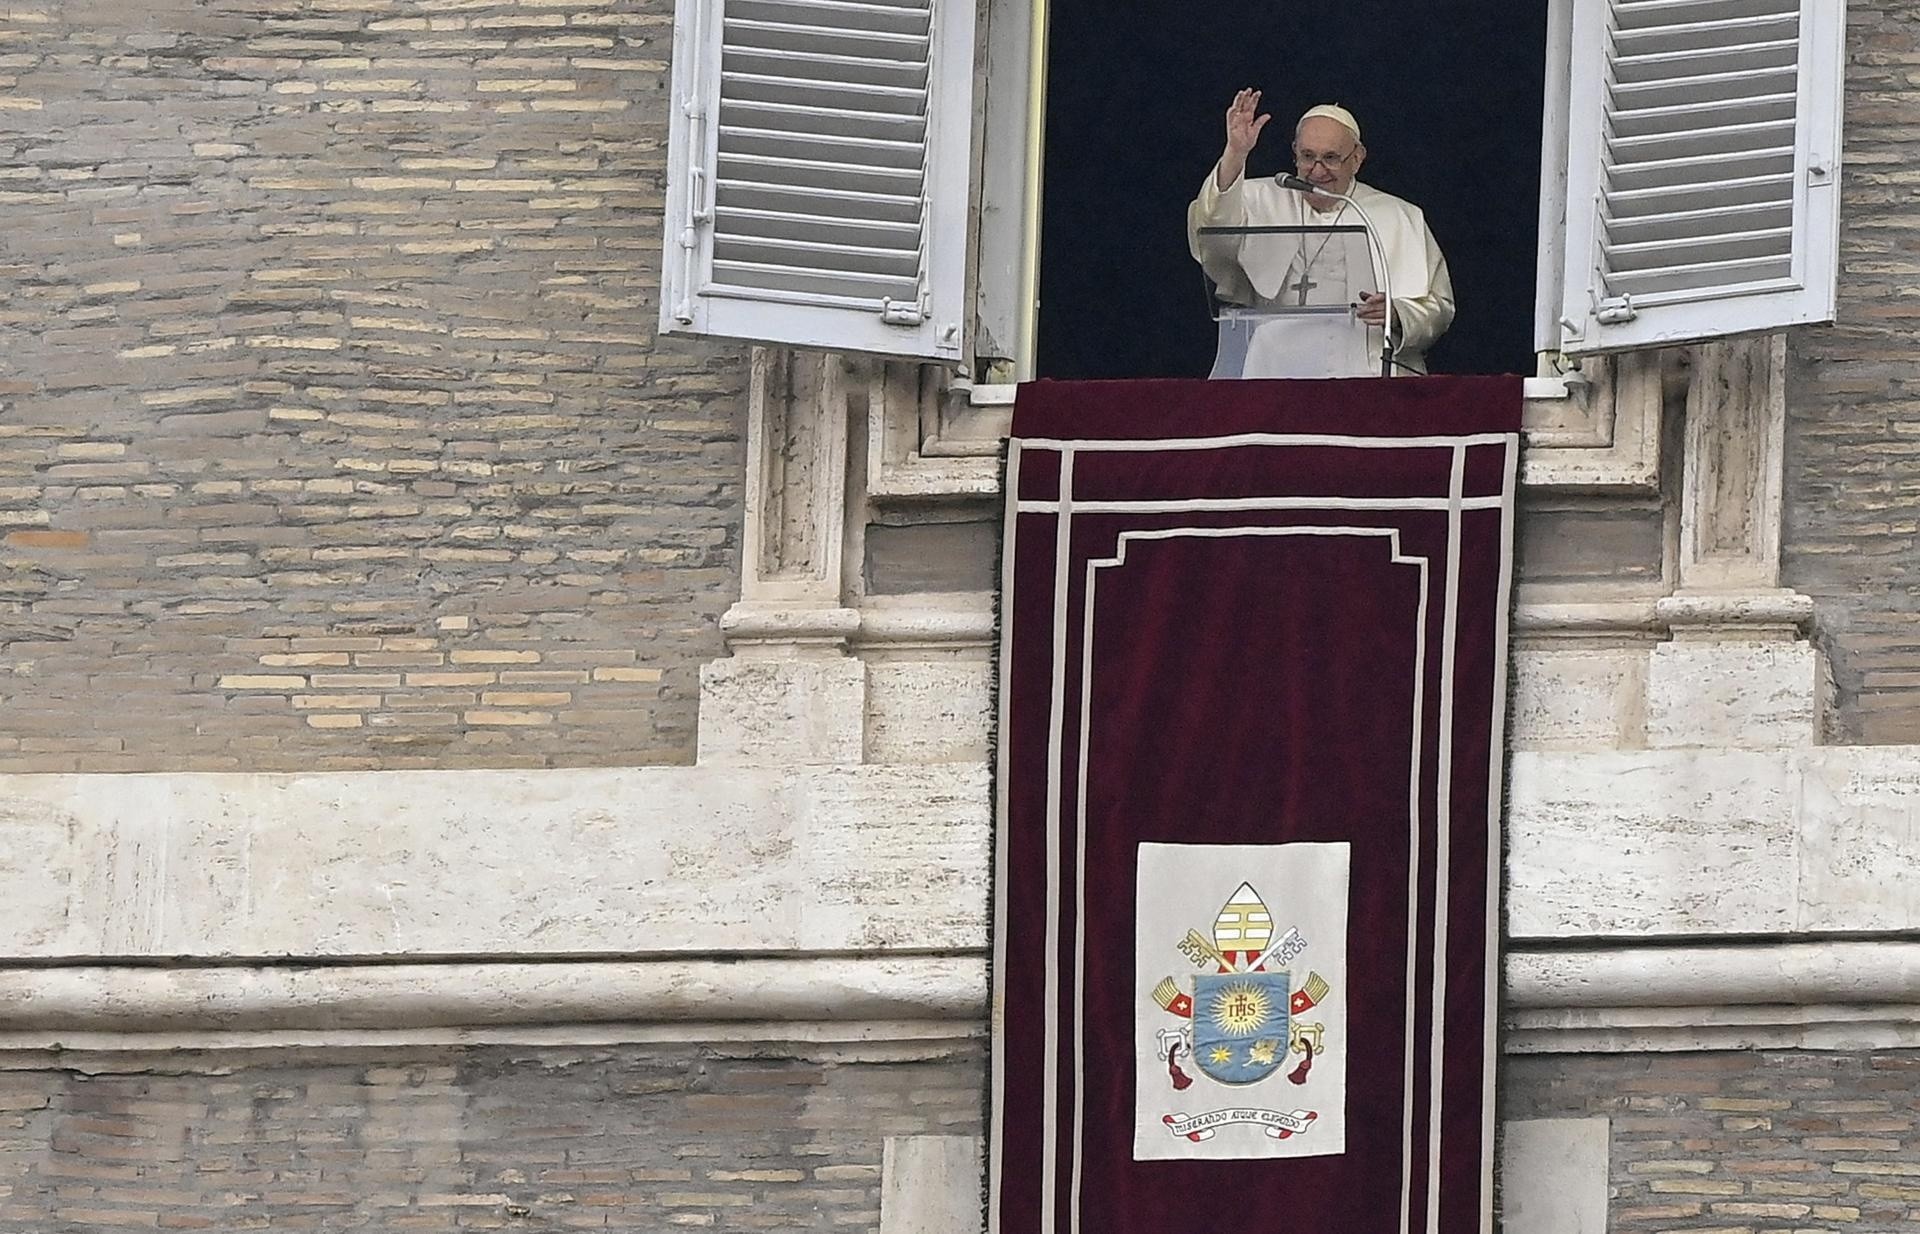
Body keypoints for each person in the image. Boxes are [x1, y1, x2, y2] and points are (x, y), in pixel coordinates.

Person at [1187, 93, 1455, 375]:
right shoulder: (1262, 198)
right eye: (1307, 157)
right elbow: (1213, 229)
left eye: (1330, 158)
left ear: (1357, 159)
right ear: (1294, 152)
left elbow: (1439, 306)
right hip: (1277, 366)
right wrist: (1236, 153)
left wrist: (1398, 315)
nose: (1317, 171)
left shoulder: (1399, 216)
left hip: (1368, 368)